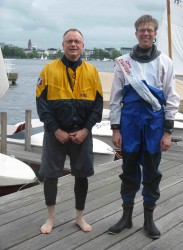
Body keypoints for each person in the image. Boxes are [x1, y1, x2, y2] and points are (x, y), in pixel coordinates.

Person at [108, 15, 180, 239]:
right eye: (142, 30)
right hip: (129, 127)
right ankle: (126, 217)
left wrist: (167, 132)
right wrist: (116, 129)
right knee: (128, 173)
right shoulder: (123, 62)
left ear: (155, 33)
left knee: (151, 174)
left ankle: (149, 219)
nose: (146, 33)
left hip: (153, 127)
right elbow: (115, 99)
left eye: (149, 30)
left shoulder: (165, 62)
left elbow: (171, 99)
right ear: (136, 33)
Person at [36, 28, 103, 234]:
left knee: (81, 175)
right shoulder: (48, 69)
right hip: (55, 134)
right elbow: (42, 104)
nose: (73, 44)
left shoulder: (92, 71)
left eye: (77, 41)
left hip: (81, 134)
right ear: (63, 45)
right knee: (50, 175)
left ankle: (79, 217)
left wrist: (85, 129)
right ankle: (50, 218)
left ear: (83, 46)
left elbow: (97, 106)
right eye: (69, 41)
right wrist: (55, 129)